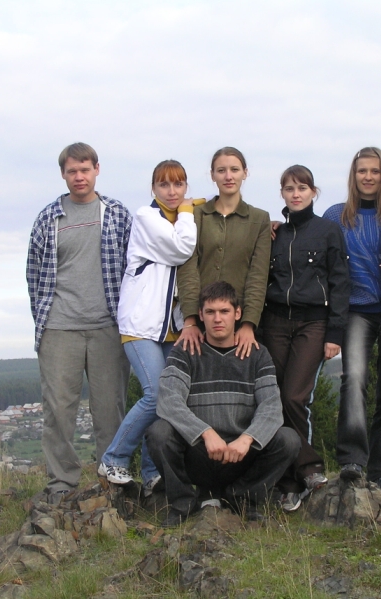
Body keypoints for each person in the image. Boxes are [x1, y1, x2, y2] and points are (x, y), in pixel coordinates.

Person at [27, 142, 131, 504]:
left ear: (97, 169)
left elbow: (137, 264)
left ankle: (111, 481)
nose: (79, 177)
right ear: (63, 174)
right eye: (72, 171)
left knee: (110, 409)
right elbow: (34, 274)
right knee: (58, 410)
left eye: (85, 169)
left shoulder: (117, 214)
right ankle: (61, 483)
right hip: (59, 328)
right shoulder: (48, 218)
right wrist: (45, 318)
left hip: (108, 326)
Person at [147, 281, 301, 527]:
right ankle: (183, 503)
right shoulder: (185, 352)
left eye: (224, 311)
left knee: (288, 440)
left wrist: (247, 439)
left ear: (237, 313)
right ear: (201, 315)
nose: (217, 319)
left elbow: (271, 407)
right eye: (210, 312)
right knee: (159, 432)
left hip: (242, 455)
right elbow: (169, 401)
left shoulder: (258, 354)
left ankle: (242, 498)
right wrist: (205, 433)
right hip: (199, 452)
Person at [97, 160, 197, 496]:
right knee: (156, 394)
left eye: (178, 184)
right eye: (164, 185)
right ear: (153, 188)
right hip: (140, 324)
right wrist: (188, 211)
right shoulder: (147, 217)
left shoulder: (185, 216)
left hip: (171, 327)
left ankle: (152, 472)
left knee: (170, 399)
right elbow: (182, 248)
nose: (172, 191)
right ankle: (114, 458)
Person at [262, 165, 350, 512]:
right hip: (274, 323)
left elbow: (340, 283)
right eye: (289, 188)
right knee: (275, 399)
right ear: (282, 194)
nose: (295, 194)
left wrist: (335, 333)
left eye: (302, 188)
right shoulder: (274, 233)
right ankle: (290, 484)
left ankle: (310, 467)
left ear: (314, 192)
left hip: (314, 323)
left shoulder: (328, 231)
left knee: (294, 396)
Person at [323, 148, 381, 494]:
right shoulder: (336, 216)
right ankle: (352, 460)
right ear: (353, 176)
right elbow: (314, 244)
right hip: (356, 310)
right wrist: (278, 227)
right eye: (362, 171)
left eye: (375, 171)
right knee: (354, 378)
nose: (368, 177)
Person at [175, 147, 271, 359]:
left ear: (245, 173)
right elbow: (187, 268)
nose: (228, 176)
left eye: (234, 170)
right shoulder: (196, 215)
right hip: (200, 322)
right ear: (212, 175)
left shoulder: (260, 219)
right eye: (221, 170)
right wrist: (190, 320)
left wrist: (248, 324)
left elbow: (258, 276)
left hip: (239, 324)